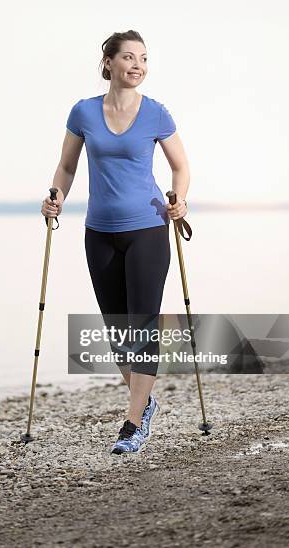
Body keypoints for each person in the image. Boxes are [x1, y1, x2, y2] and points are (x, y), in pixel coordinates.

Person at [41, 30, 190, 455]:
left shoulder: (156, 113)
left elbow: (180, 167)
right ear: (108, 62)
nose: (137, 65)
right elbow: (66, 167)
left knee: (142, 323)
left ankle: (132, 422)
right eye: (128, 57)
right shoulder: (84, 112)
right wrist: (56, 197)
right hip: (99, 231)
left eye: (143, 58)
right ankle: (145, 402)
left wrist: (179, 200)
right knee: (116, 330)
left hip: (147, 228)